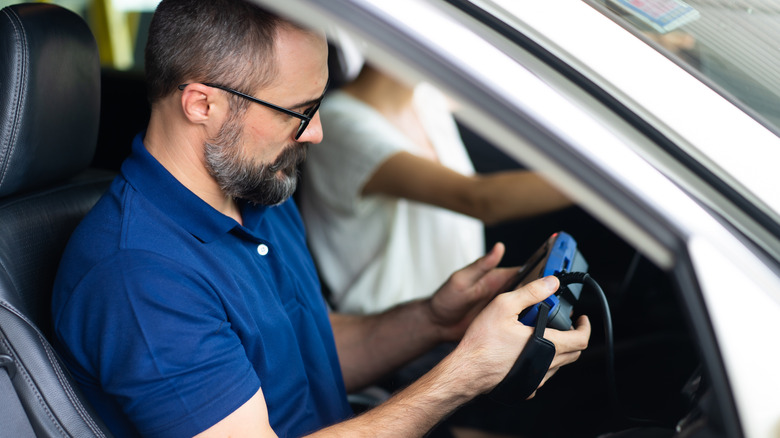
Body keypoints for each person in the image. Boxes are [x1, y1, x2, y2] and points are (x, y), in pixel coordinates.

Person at [51, 1, 590, 437]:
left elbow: (305, 349)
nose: (316, 133)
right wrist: (464, 374)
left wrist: (433, 320)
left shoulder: (256, 195)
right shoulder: (139, 275)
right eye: (298, 112)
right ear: (201, 104)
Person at [299, 62, 572, 315]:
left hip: (458, 314)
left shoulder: (426, 99)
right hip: (397, 338)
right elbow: (478, 199)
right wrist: (589, 180)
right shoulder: (340, 125)